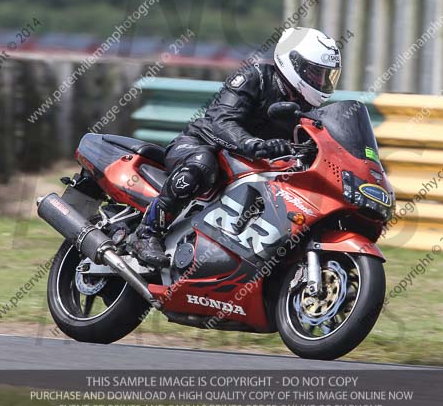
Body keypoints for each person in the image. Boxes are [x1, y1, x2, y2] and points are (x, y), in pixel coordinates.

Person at [132, 27, 342, 267]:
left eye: (326, 75)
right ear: (292, 62)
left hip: (249, 171)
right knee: (202, 163)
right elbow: (222, 120)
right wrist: (252, 144)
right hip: (199, 145)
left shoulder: (307, 110)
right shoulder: (254, 77)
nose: (321, 81)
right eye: (315, 73)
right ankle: (147, 233)